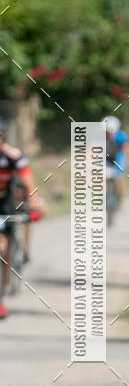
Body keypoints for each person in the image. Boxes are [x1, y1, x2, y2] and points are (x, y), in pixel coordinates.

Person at [0, 116, 46, 318]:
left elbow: (28, 180)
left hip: (5, 204)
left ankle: (2, 294)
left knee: (3, 249)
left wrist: (35, 203)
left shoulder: (12, 156)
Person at [103, 115, 129, 201]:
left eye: (112, 131)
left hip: (118, 159)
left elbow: (128, 149)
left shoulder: (121, 137)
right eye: (107, 131)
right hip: (106, 159)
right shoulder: (100, 137)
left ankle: (120, 197)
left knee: (119, 177)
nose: (110, 134)